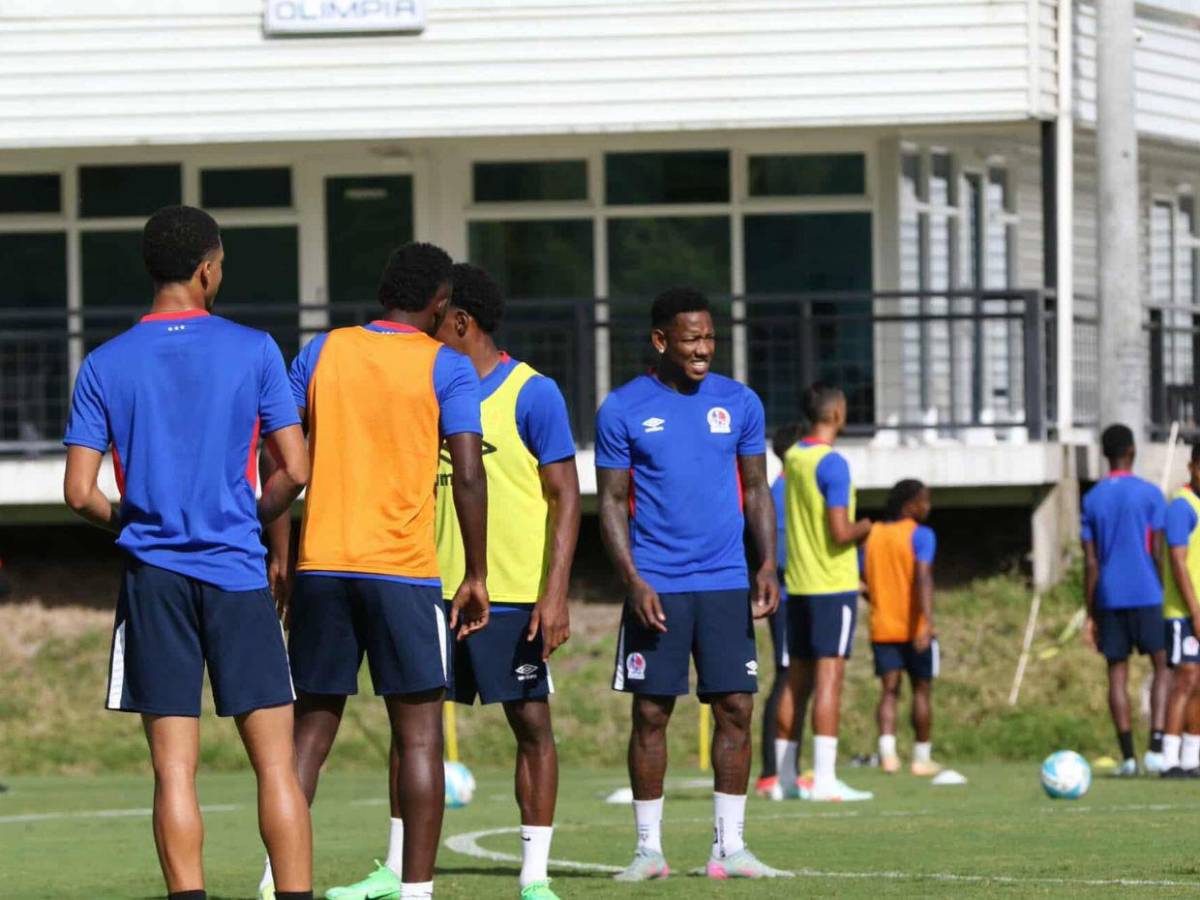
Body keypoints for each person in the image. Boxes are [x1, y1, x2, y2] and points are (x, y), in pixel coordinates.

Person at [63, 205, 314, 900]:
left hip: (154, 581)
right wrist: (250, 516)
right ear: (207, 269)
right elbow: (294, 469)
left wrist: (135, 523)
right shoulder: (255, 348)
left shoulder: (103, 362)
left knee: (174, 772)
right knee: (275, 769)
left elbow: (79, 491)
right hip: (235, 572)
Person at [325, 263, 581, 900]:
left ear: (458, 321)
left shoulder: (533, 393)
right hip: (423, 585)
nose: (426, 332)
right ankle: (394, 870)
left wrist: (554, 593)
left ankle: (534, 877)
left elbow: (567, 496)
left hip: (513, 593)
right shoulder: (427, 385)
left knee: (531, 725)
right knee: (411, 731)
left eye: (435, 321)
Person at [262, 242, 489, 900]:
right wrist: (475, 572)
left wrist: (280, 552)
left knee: (309, 731)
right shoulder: (448, 367)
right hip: (404, 573)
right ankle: (415, 892)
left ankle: (277, 881)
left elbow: (280, 457)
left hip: (323, 566)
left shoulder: (322, 351)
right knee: (418, 739)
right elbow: (469, 474)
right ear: (441, 306)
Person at [596, 287, 788, 882]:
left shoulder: (740, 402)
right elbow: (610, 500)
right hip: (659, 586)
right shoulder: (622, 408)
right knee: (652, 713)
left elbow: (756, 488)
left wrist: (766, 563)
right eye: (692, 338)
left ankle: (729, 849)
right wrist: (632, 580)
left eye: (709, 337)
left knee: (735, 707)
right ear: (661, 341)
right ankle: (647, 851)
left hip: (727, 582)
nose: (704, 348)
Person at [781, 383, 873, 802]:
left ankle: (784, 779)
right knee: (829, 677)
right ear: (837, 413)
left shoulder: (795, 456)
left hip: (797, 584)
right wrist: (865, 527)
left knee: (795, 681)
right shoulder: (832, 463)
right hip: (832, 585)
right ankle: (824, 779)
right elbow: (840, 532)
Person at [1081, 423, 1169, 776]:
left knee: (1116, 674)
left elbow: (1090, 561)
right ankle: (1157, 749)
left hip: (1110, 596)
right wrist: (1162, 591)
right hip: (1147, 592)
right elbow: (1158, 551)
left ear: (1105, 455)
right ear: (1132, 451)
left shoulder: (1092, 498)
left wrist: (1091, 612)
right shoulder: (1150, 494)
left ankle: (1128, 758)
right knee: (1162, 666)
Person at [864, 479, 942, 777]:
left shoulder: (874, 535)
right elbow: (923, 577)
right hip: (914, 627)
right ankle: (921, 758)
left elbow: (864, 578)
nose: (928, 506)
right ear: (910, 504)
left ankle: (888, 756)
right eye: (925, 500)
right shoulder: (921, 535)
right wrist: (927, 622)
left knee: (888, 692)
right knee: (921, 691)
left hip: (882, 625)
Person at [755, 423, 805, 801]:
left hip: (803, 598)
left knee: (798, 679)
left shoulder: (793, 488)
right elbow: (781, 554)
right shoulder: (784, 490)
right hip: (789, 600)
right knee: (787, 677)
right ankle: (772, 770)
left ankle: (790, 768)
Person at [1160, 443, 1200, 777]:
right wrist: (1195, 612)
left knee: (1199, 681)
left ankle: (1191, 757)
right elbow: (1177, 562)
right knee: (1185, 679)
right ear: (1192, 466)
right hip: (1182, 612)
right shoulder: (1181, 506)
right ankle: (1169, 758)